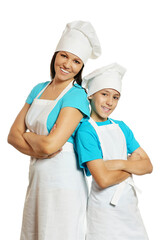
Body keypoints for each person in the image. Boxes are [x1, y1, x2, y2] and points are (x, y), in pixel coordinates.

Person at [7, 20, 101, 240]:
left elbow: (52, 145)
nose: (67, 64)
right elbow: (12, 136)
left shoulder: (77, 95)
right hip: (37, 180)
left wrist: (27, 136)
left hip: (63, 183)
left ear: (81, 67)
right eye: (64, 56)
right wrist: (38, 145)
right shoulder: (38, 89)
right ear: (55, 55)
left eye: (76, 61)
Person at [75, 63, 153, 240]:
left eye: (116, 97)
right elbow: (103, 179)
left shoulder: (121, 127)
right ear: (91, 95)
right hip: (104, 212)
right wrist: (132, 166)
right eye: (104, 94)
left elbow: (148, 166)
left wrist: (117, 164)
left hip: (129, 207)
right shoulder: (86, 131)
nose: (110, 102)